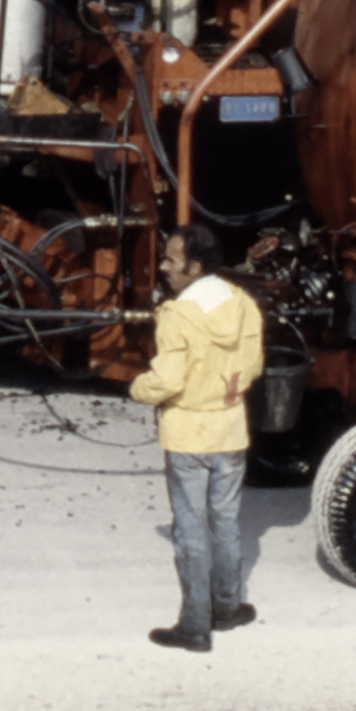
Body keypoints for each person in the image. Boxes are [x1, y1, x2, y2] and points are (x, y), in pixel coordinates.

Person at [124, 222, 269, 652]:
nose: (163, 266)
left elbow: (167, 379)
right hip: (230, 429)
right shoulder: (242, 303)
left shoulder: (177, 315)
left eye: (171, 259)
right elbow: (255, 365)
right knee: (225, 523)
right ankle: (227, 609)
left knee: (190, 531)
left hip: (188, 435)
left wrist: (138, 388)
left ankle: (193, 627)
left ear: (195, 266)